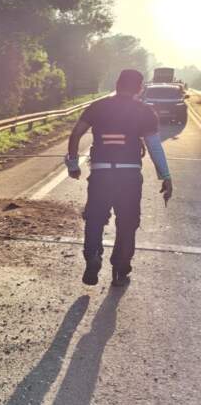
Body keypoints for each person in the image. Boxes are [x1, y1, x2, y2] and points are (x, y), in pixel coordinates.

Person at [65, 69, 173, 287]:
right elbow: (154, 146)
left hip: (101, 173)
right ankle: (121, 269)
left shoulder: (98, 106)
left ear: (117, 83)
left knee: (95, 218)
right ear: (139, 88)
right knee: (127, 222)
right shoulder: (145, 111)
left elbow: (76, 133)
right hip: (129, 175)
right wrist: (166, 175)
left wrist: (74, 164)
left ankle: (93, 256)